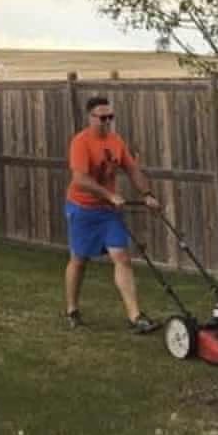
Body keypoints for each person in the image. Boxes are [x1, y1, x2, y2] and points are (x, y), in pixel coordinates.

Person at [64, 93, 160, 331]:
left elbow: (132, 169)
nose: (107, 122)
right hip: (83, 209)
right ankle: (72, 309)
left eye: (111, 117)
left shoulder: (116, 142)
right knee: (79, 260)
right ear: (91, 118)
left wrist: (147, 194)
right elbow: (80, 180)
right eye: (103, 117)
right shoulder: (81, 142)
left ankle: (135, 317)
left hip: (108, 213)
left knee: (122, 258)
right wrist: (109, 195)